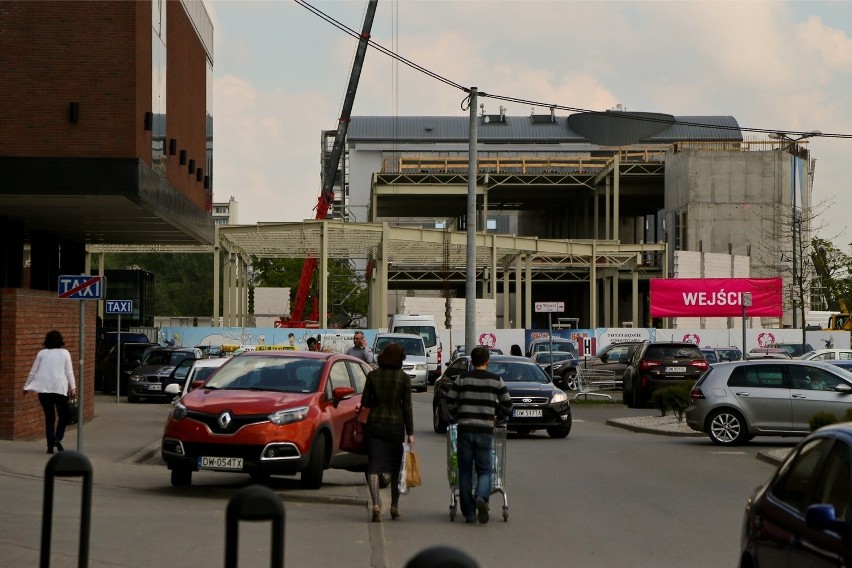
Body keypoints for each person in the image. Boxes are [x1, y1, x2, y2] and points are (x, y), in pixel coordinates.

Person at [446, 346, 513, 524]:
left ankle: (469, 513)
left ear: (471, 362)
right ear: (487, 362)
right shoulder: (496, 380)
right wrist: (499, 418)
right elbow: (508, 404)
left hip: (465, 430)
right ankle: (482, 497)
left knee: (465, 472)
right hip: (485, 431)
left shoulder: (462, 379)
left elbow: (450, 401)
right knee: (485, 470)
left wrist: (456, 415)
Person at [361, 342, 414, 522]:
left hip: (375, 425)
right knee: (395, 467)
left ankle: (376, 503)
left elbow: (366, 402)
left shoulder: (373, 376)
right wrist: (411, 432)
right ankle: (394, 506)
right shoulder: (404, 379)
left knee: (374, 466)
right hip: (395, 427)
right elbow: (407, 407)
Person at [22, 330, 77, 454]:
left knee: (49, 417)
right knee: (64, 416)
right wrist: (73, 388)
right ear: (60, 341)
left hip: (44, 391)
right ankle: (57, 438)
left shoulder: (42, 353)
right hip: (59, 390)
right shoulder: (65, 353)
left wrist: (26, 387)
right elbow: (69, 372)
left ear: (46, 341)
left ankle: (49, 446)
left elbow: (33, 372)